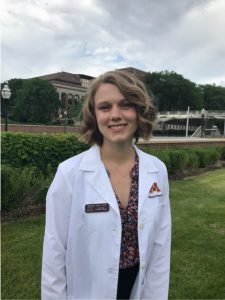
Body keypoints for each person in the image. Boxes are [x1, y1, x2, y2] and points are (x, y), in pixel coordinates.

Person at [41, 70, 171, 300]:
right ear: (94, 115)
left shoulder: (157, 171)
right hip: (86, 291)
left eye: (125, 105)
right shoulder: (69, 173)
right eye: (105, 107)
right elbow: (54, 252)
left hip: (138, 288)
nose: (115, 115)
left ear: (140, 111)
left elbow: (160, 247)